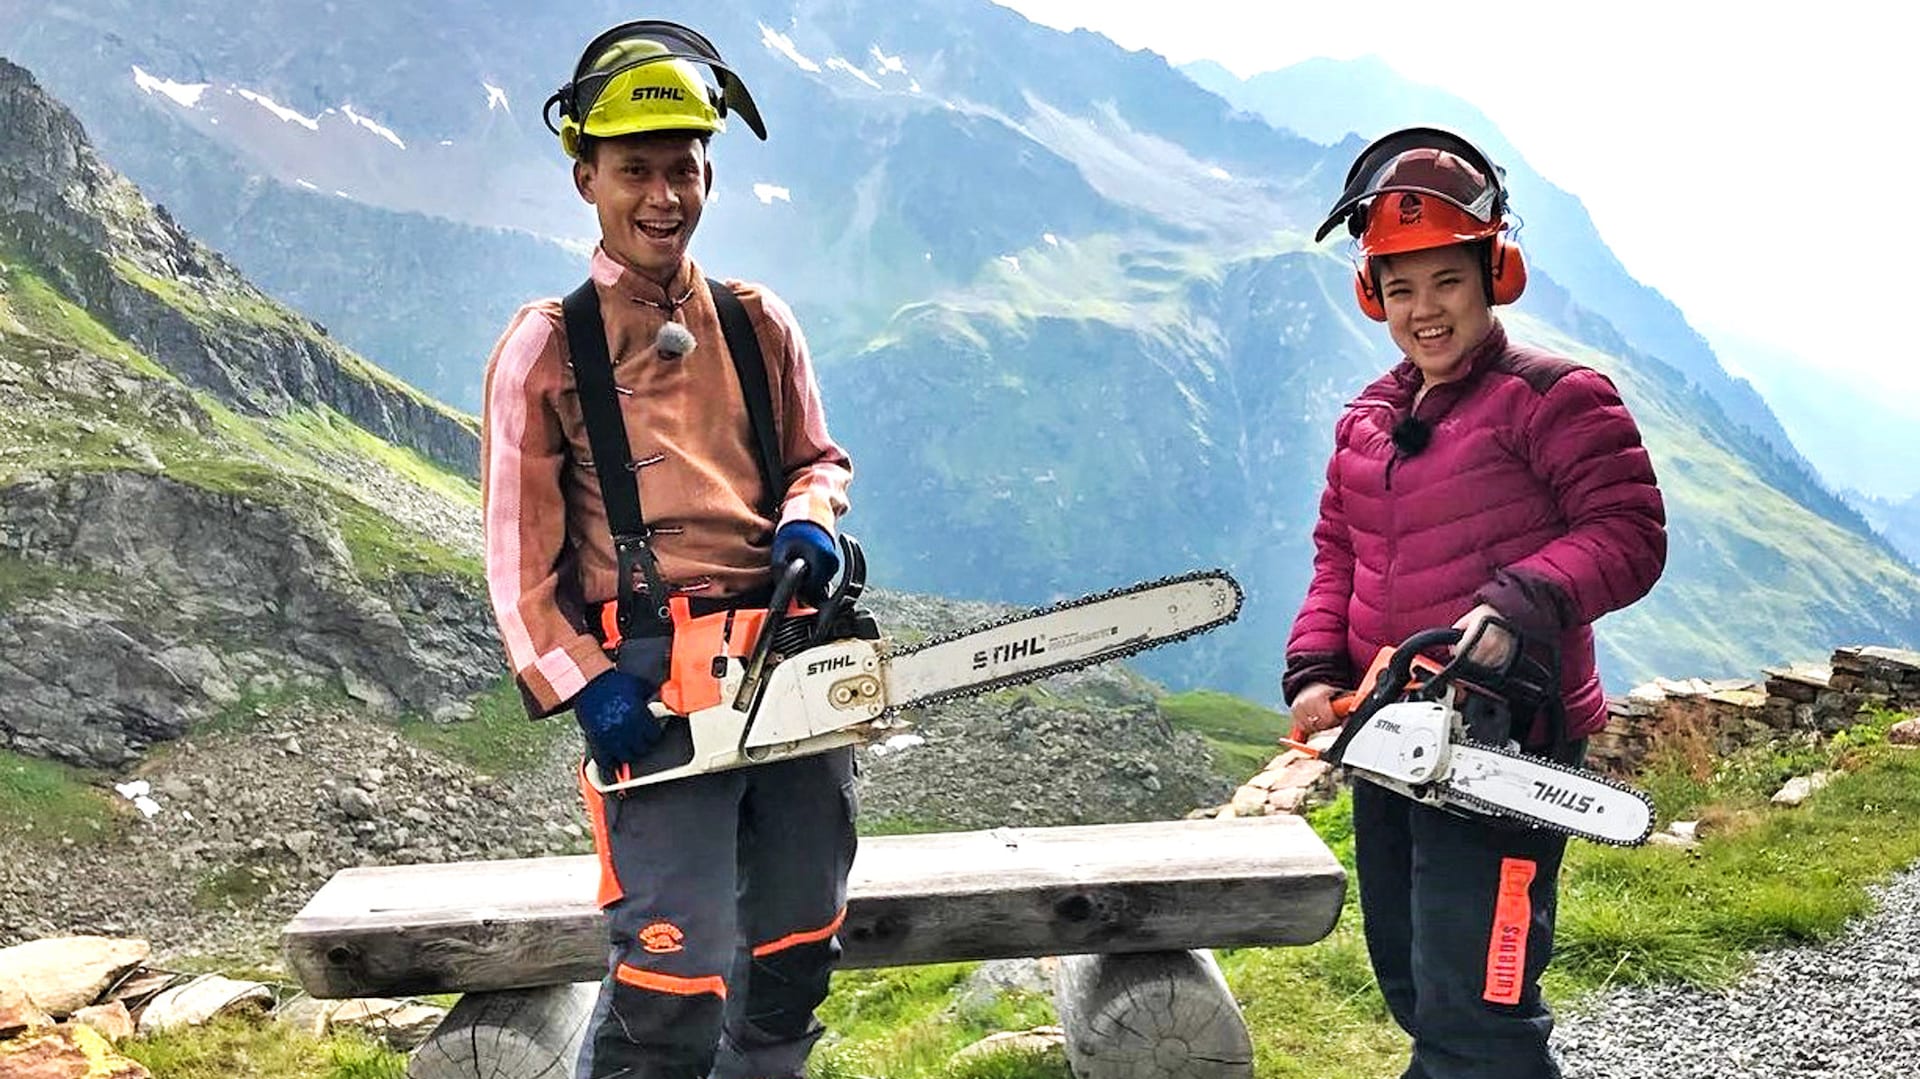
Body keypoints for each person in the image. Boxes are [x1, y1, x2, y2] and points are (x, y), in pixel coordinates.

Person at [480, 20, 855, 1079]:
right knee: (671, 975)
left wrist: (811, 518)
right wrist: (588, 688)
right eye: (635, 169)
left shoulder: (756, 321)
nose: (662, 195)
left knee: (792, 946)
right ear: (584, 176)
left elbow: (816, 457)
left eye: (683, 168)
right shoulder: (545, 346)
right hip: (648, 681)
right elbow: (518, 567)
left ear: (709, 173)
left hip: (786, 657)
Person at [1283, 127, 1667, 1079]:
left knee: (1482, 998)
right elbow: (1339, 553)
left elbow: (1629, 533)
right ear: (1373, 294)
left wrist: (1513, 606)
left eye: (1446, 281)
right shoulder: (1369, 418)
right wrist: (1316, 668)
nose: (1425, 311)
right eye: (1400, 287)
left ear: (1494, 274)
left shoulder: (1559, 397)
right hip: (1386, 729)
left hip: (1508, 734)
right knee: (1414, 978)